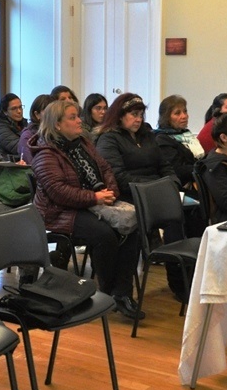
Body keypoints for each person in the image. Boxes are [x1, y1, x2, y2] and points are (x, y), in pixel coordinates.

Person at [29, 100, 143, 320]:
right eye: (72, 117)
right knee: (105, 235)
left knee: (131, 226)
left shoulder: (83, 143)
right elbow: (59, 192)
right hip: (60, 212)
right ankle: (106, 293)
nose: (79, 120)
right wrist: (94, 197)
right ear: (57, 125)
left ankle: (122, 293)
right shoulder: (45, 154)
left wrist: (109, 191)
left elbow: (105, 167)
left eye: (78, 116)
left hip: (92, 203)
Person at [95, 93, 177, 203]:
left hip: (157, 189)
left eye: (141, 115)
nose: (139, 119)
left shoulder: (147, 135)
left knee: (194, 209)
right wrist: (156, 186)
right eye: (134, 114)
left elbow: (164, 165)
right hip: (132, 194)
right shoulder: (108, 139)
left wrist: (173, 182)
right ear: (120, 115)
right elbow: (118, 177)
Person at [154, 94, 206, 191]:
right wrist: (205, 167)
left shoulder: (186, 135)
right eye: (177, 113)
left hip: (197, 181)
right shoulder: (162, 139)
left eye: (185, 111)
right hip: (180, 188)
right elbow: (177, 170)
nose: (184, 116)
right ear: (167, 117)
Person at [17, 94, 52, 165]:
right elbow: (32, 165)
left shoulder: (58, 133)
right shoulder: (28, 136)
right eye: (48, 112)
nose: (53, 115)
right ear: (37, 115)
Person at [0, 93, 26, 160]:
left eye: (20, 107)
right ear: (5, 111)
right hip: (8, 166)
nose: (19, 111)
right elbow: (19, 148)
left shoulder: (23, 123)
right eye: (14, 108)